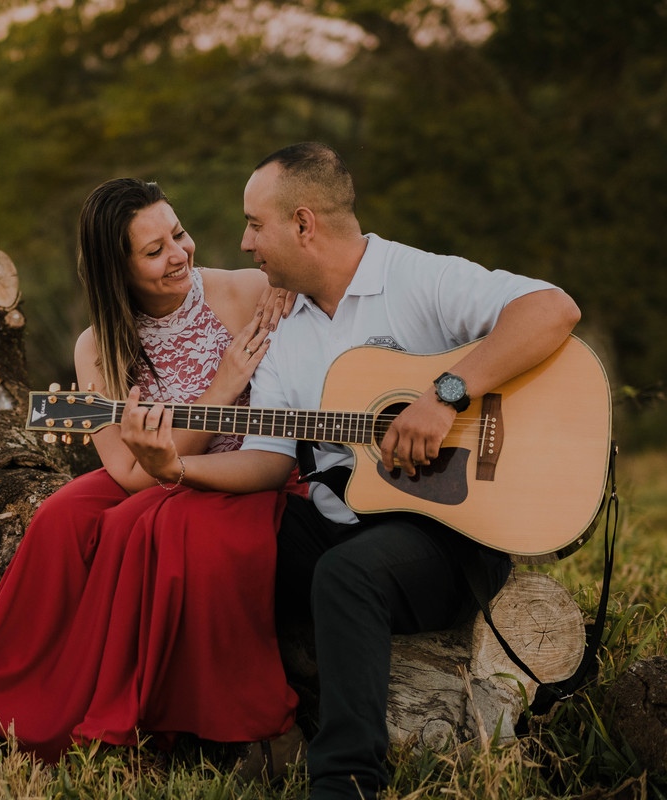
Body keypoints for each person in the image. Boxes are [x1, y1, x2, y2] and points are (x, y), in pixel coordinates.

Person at [121, 142, 581, 800]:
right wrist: (176, 467)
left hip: (450, 533)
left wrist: (444, 396)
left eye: (255, 224)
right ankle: (219, 730)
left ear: (303, 223)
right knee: (209, 533)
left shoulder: (413, 278)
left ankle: (346, 781)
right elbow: (268, 461)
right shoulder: (284, 327)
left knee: (348, 573)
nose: (245, 243)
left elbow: (552, 309)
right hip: (344, 519)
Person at [0, 178, 307, 768]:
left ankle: (159, 708)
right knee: (63, 516)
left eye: (178, 234)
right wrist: (221, 389)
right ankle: (33, 681)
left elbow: (320, 288)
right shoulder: (97, 347)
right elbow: (130, 472)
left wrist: (287, 283)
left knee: (139, 528)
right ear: (116, 270)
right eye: (155, 251)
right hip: (158, 473)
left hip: (247, 470)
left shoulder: (246, 292)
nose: (179, 254)